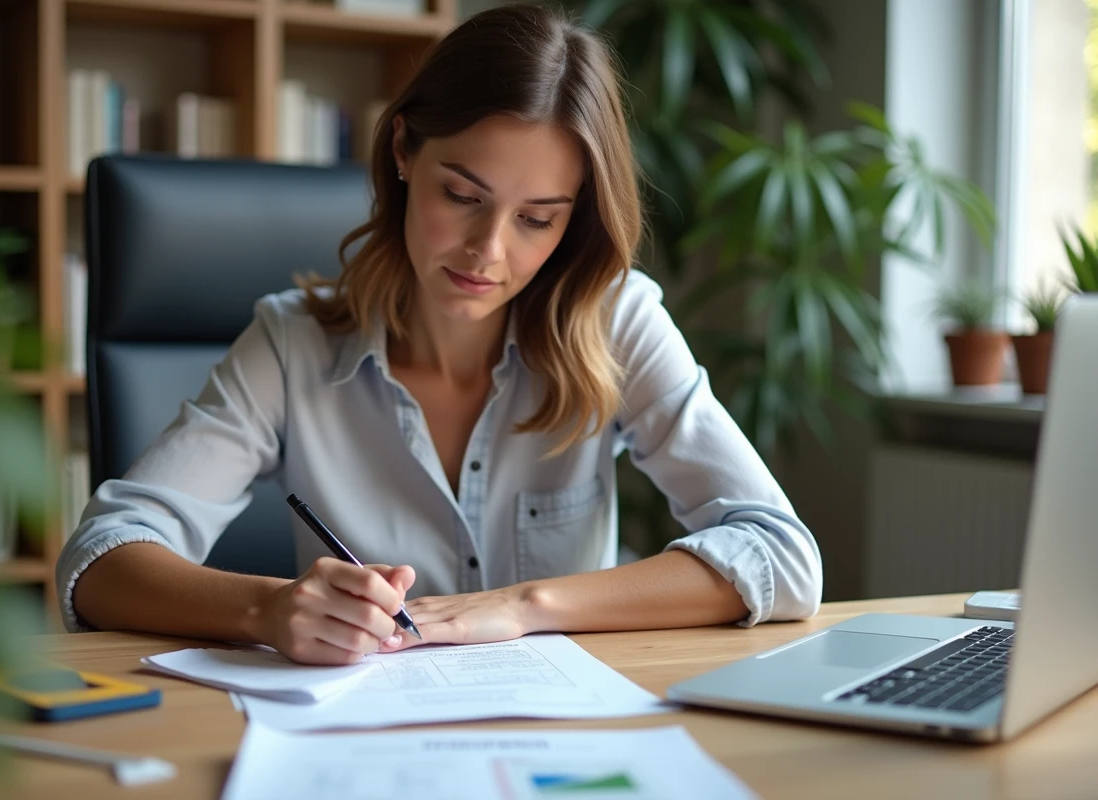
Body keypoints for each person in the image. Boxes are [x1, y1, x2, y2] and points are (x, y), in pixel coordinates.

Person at [58, 3, 822, 666]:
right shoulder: (292, 345)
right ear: (401, 152)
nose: (488, 252)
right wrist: (267, 609)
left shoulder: (616, 321)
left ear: (575, 218)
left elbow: (784, 557)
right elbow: (100, 559)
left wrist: (524, 605)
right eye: (462, 195)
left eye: (536, 218)